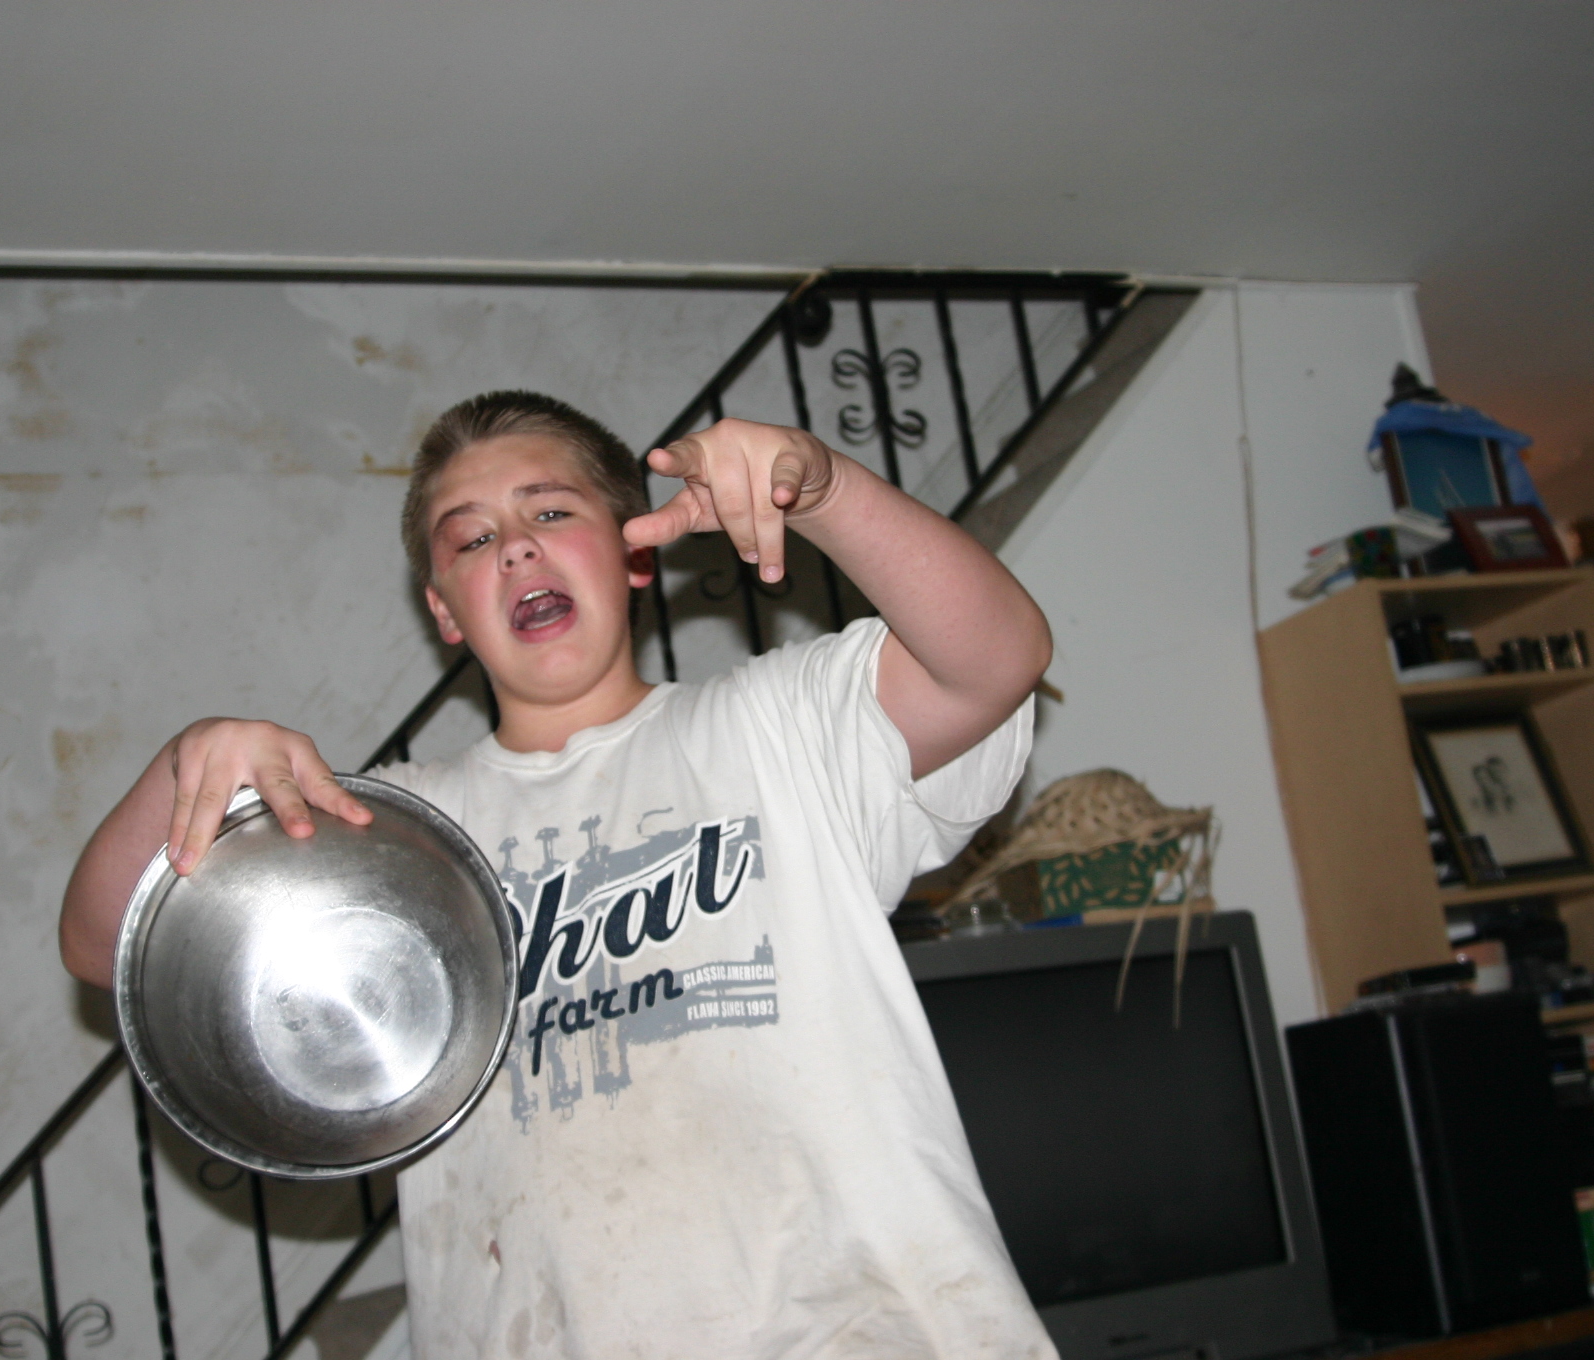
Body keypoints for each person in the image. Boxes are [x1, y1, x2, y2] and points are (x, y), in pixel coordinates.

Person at [59, 391, 1056, 1357]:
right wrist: (188, 760)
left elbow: (995, 658)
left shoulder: (782, 726)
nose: (515, 547)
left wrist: (827, 486)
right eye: (470, 539)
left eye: (549, 513)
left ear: (633, 552)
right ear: (444, 612)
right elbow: (103, 946)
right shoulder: (385, 838)